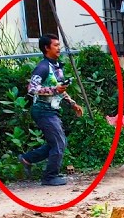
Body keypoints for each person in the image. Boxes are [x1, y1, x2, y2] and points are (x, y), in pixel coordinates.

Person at [19, 33, 83, 186]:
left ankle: (27, 159)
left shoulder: (56, 67)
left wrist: (72, 103)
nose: (59, 48)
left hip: (51, 110)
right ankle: (49, 176)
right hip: (42, 110)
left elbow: (60, 89)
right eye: (55, 45)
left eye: (59, 45)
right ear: (46, 48)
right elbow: (32, 89)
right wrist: (54, 89)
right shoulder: (42, 67)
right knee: (59, 143)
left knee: (55, 143)